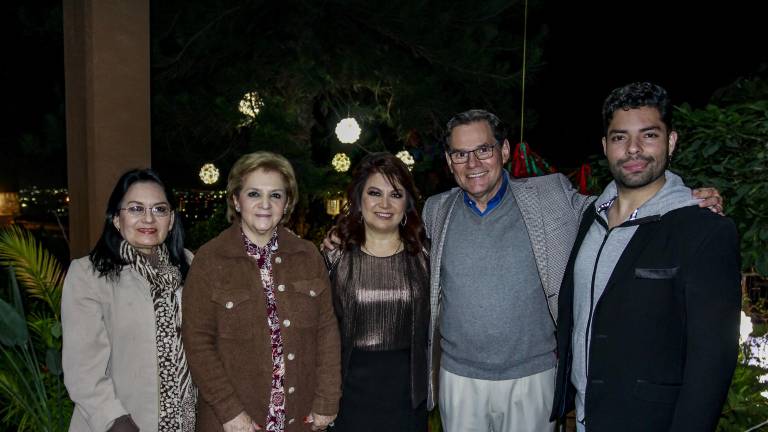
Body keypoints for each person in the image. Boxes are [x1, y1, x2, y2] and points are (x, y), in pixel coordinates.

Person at [420, 109, 724, 432]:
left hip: (534, 376)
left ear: (504, 151)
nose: (473, 163)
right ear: (449, 161)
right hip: (459, 377)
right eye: (460, 154)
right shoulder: (436, 210)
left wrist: (681, 198)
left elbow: (618, 206)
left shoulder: (550, 196)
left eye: (484, 150)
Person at [550, 82, 741, 431]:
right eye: (620, 137)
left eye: (649, 135)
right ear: (606, 146)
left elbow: (713, 361)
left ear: (670, 141)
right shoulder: (590, 216)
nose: (633, 149)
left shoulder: (704, 229)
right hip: (585, 417)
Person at [182, 151, 341, 432]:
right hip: (233, 420)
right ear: (236, 200)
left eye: (276, 195)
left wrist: (327, 400)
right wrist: (230, 413)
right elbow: (197, 343)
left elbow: (326, 331)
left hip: (298, 416)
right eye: (254, 193)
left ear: (287, 202)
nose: (265, 204)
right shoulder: (209, 260)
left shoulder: (308, 256)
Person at [62, 168, 196, 432]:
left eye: (159, 209)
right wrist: (115, 420)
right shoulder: (88, 275)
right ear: (115, 219)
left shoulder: (190, 267)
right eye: (135, 209)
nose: (148, 218)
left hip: (188, 422)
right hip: (120, 424)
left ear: (170, 221)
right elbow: (82, 371)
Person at [322, 153, 429, 431]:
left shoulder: (427, 256)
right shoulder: (334, 257)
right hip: (349, 395)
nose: (384, 204)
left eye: (395, 194)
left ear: (407, 203)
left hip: (408, 397)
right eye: (374, 193)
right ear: (359, 200)